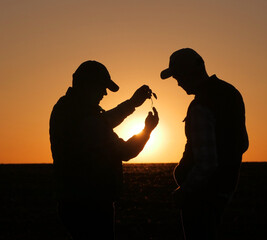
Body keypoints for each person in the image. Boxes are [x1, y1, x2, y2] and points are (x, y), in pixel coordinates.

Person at [49, 60, 159, 239]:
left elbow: (103, 121)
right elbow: (124, 151)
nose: (105, 93)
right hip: (91, 204)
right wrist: (147, 130)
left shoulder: (68, 109)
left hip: (73, 201)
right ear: (88, 86)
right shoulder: (85, 118)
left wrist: (132, 103)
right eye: (102, 87)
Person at [160, 48, 249, 240]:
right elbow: (243, 143)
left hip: (200, 197)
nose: (177, 83)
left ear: (188, 74)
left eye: (178, 77)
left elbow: (206, 163)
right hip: (224, 191)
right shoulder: (231, 93)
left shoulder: (201, 105)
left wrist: (183, 191)